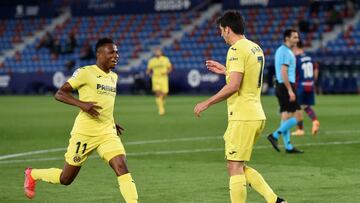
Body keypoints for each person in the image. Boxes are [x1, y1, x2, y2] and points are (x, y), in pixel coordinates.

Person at [23, 38, 138, 203]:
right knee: (66, 179)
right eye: (111, 52)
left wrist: (112, 120)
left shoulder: (114, 77)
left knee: (121, 166)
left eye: (117, 52)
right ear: (99, 54)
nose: (116, 55)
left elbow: (105, 104)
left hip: (107, 132)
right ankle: (32, 174)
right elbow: (60, 93)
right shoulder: (85, 72)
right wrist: (82, 104)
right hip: (84, 133)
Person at [194, 10, 285, 203]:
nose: (221, 35)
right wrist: (227, 71)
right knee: (237, 165)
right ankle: (274, 200)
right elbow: (246, 79)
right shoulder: (255, 48)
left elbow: (234, 86)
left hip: (242, 116)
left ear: (228, 29)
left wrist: (206, 102)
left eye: (221, 30)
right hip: (255, 113)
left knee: (234, 167)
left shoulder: (235, 50)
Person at [267, 29, 303, 154]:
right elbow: (283, 72)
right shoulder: (286, 52)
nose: (297, 40)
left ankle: (288, 146)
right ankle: (275, 135)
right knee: (297, 116)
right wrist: (290, 90)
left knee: (286, 115)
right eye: (294, 37)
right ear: (287, 38)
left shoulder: (280, 50)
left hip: (281, 85)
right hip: (286, 86)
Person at [291, 40, 320, 136]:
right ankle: (315, 120)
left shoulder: (296, 59)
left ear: (295, 47)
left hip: (300, 85)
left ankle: (300, 129)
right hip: (310, 84)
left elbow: (293, 73)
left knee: (297, 107)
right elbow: (316, 70)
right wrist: (313, 82)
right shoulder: (309, 58)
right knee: (305, 105)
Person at [146, 48, 172, 115]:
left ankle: (162, 102)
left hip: (164, 79)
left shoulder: (165, 59)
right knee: (157, 93)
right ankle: (161, 110)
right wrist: (148, 72)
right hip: (155, 79)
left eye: (158, 51)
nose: (157, 53)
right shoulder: (152, 61)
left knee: (165, 93)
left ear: (161, 52)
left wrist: (167, 72)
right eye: (156, 52)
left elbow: (170, 68)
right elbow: (149, 69)